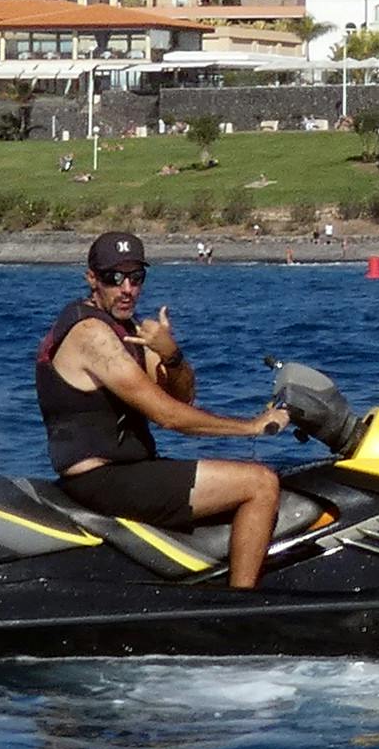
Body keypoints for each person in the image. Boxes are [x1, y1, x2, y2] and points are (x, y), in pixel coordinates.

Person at [33, 228, 292, 592]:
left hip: (132, 470)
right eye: (114, 278)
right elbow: (168, 416)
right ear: (92, 278)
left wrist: (172, 355)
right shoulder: (91, 334)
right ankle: (239, 608)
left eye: (136, 278)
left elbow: (183, 395)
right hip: (102, 481)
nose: (127, 289)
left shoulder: (131, 331)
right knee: (260, 483)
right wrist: (252, 427)